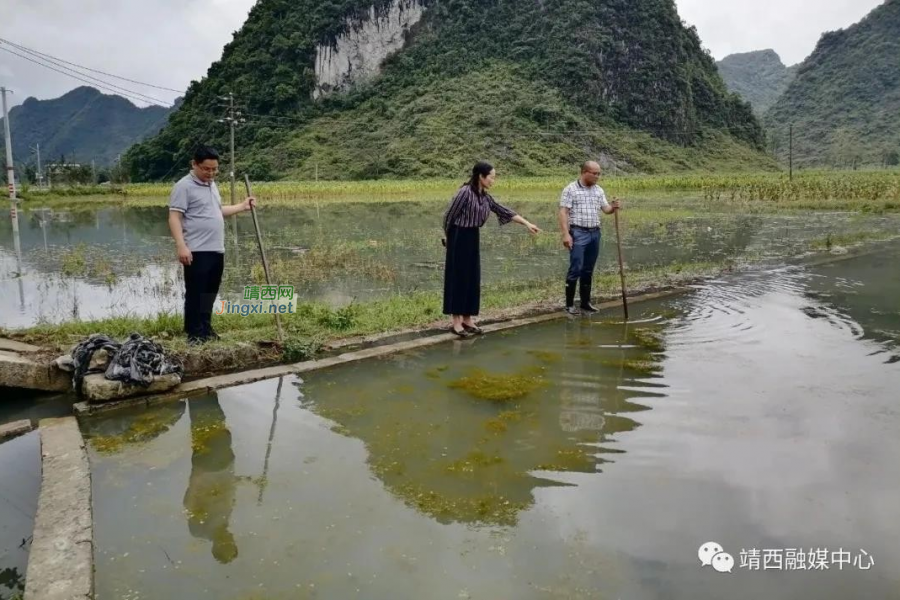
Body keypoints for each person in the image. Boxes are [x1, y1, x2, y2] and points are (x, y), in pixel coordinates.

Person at [168, 146, 257, 344]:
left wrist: (242, 206)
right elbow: (174, 217)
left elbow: (217, 211)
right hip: (196, 249)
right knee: (196, 292)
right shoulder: (184, 186)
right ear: (194, 165)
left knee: (209, 292)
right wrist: (181, 246)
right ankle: (194, 334)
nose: (211, 173)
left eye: (214, 169)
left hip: (216, 248)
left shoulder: (212, 185)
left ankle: (206, 329)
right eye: (206, 169)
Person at [442, 161, 541, 337]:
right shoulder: (464, 193)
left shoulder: (485, 197)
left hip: (472, 236)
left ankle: (468, 319)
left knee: (472, 277)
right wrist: (449, 239)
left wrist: (527, 223)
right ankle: (456, 322)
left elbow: (503, 211)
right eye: (491, 177)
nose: (493, 181)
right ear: (481, 176)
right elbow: (449, 216)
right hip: (458, 236)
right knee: (458, 278)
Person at [558, 161, 621, 315]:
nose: (597, 176)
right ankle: (569, 305)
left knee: (588, 270)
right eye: (594, 173)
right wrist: (566, 234)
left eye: (599, 173)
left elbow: (605, 209)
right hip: (578, 232)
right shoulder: (570, 189)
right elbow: (563, 212)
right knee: (576, 268)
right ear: (584, 172)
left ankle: (585, 303)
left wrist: (613, 207)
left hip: (595, 233)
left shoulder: (598, 190)